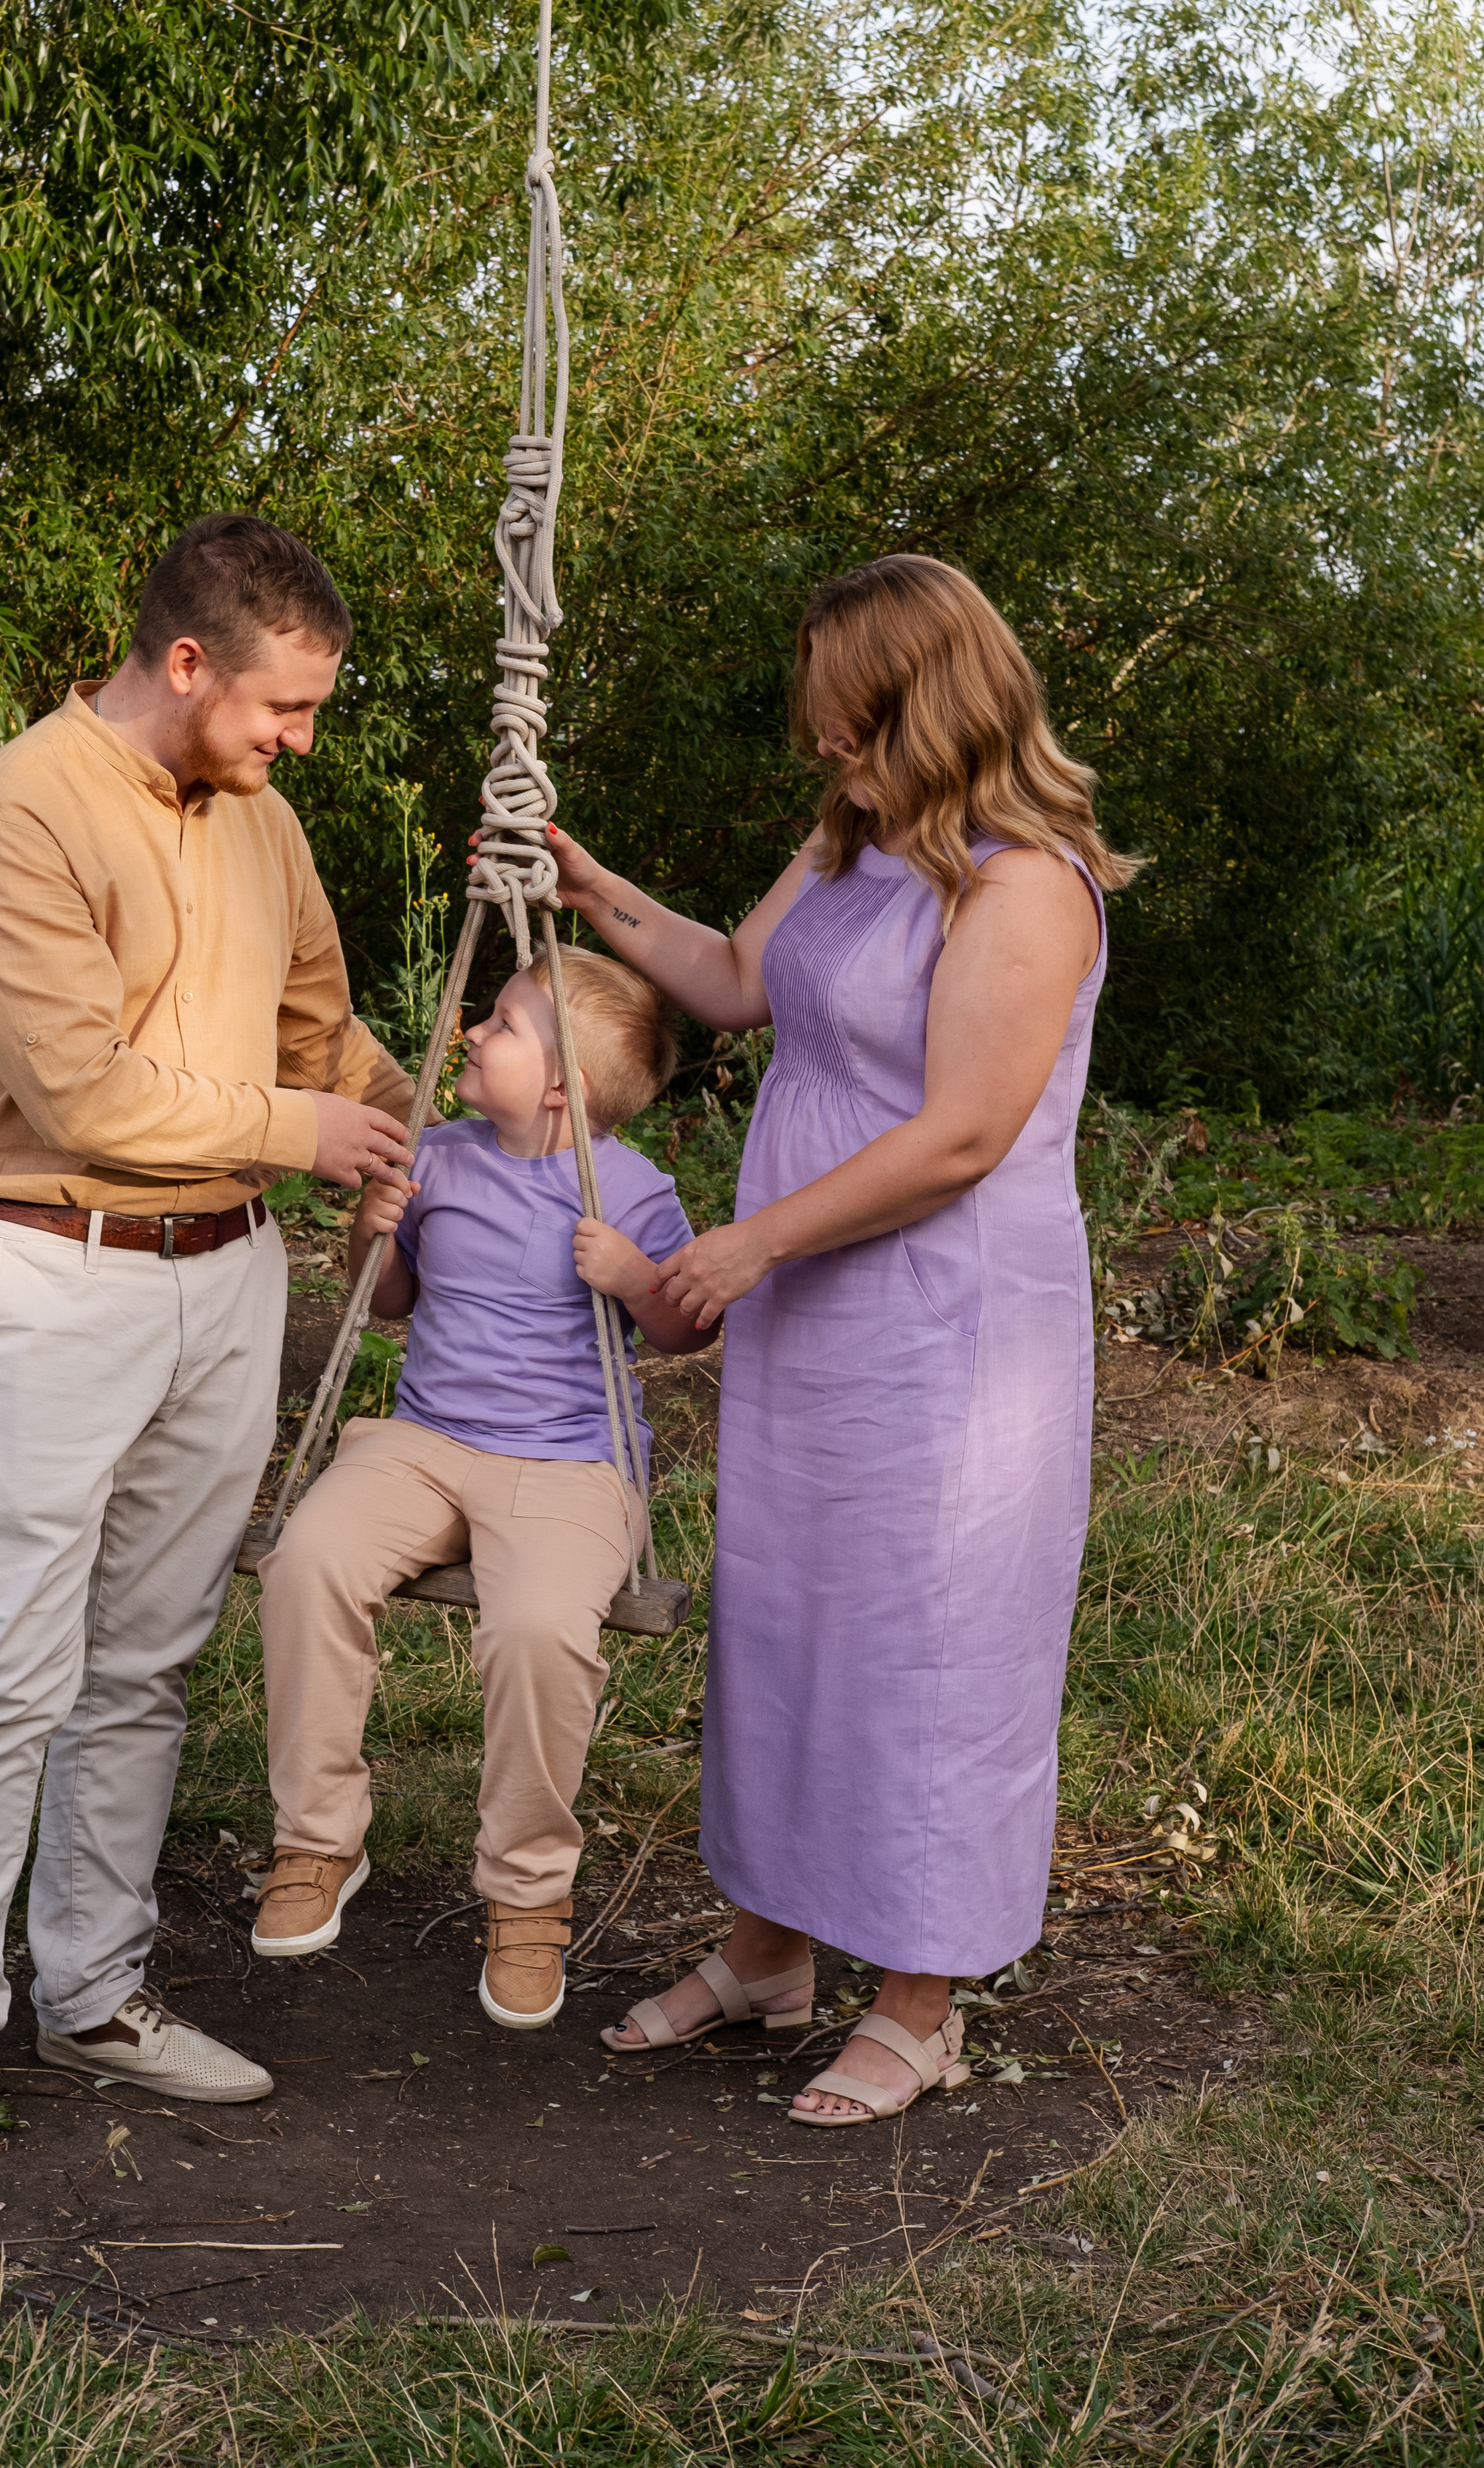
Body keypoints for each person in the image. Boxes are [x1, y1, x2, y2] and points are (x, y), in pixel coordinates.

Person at [0, 514, 418, 2169]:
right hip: (44, 1268)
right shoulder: (9, 817)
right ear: (184, 663)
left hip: (225, 1275)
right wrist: (311, 1130)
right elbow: (81, 1088)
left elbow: (321, 1028)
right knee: (0, 1665)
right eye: (278, 710)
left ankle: (94, 1993)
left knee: (144, 1659)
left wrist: (428, 1117)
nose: (296, 742)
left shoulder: (262, 819)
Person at [544, 553, 1137, 2124]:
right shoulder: (851, 846)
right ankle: (766, 1954)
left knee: (926, 1645)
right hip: (815, 1308)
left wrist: (742, 1243)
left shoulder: (1022, 886)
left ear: (930, 714)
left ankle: (920, 1996)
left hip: (946, 1326)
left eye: (850, 733)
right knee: (789, 1618)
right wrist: (590, 889)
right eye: (821, 739)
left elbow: (958, 1137)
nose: (829, 761)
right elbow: (736, 982)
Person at [250, 949, 715, 2027]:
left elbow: (689, 1327)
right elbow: (391, 1306)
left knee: (542, 1628)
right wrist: (374, 1242)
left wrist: (637, 1280)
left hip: (569, 1460)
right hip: (425, 1440)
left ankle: (527, 1896)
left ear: (561, 1086)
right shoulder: (439, 1158)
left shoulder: (631, 1189)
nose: (470, 1032)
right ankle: (318, 1841)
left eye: (501, 1024)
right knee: (308, 1559)